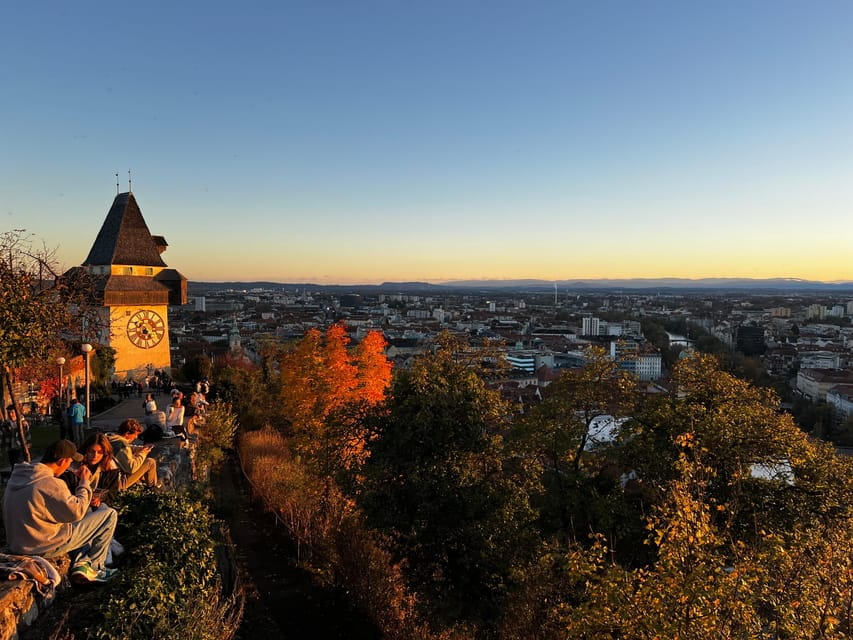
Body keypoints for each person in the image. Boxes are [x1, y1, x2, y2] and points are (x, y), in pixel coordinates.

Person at [1, 439, 118, 584]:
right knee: (109, 514)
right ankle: (96, 567)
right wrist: (84, 483)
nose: (69, 466)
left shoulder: (20, 476)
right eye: (70, 462)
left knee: (89, 512)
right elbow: (77, 512)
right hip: (43, 546)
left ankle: (83, 561)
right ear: (63, 461)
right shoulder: (50, 484)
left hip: (17, 543)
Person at [106, 419, 158, 489]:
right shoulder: (123, 446)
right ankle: (153, 488)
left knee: (137, 459)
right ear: (127, 433)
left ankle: (143, 484)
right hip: (118, 483)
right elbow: (132, 468)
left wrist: (139, 449)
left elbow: (127, 448)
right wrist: (143, 453)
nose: (136, 437)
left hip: (108, 479)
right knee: (150, 462)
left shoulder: (112, 439)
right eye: (135, 434)